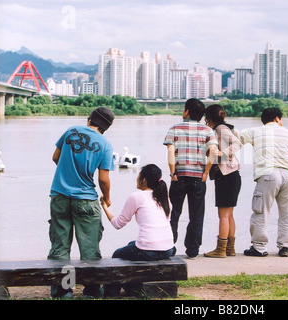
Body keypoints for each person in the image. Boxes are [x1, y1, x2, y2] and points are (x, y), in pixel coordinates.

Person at [47, 106, 115, 298]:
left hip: (59, 195)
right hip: (86, 199)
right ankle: (92, 290)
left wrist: (67, 173)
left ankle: (64, 290)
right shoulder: (105, 144)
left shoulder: (70, 131)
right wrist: (107, 197)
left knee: (60, 246)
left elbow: (55, 157)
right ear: (106, 127)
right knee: (89, 248)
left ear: (90, 120)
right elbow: (103, 178)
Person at [100, 164, 176, 296]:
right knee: (131, 244)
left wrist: (105, 207)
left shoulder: (137, 197)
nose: (137, 178)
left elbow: (118, 224)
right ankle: (132, 287)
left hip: (148, 251)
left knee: (118, 254)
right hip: (168, 249)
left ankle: (111, 291)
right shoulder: (165, 199)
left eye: (138, 176)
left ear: (144, 180)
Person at [240, 107, 288, 257]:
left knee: (261, 212)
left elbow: (233, 138)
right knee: (287, 214)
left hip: (268, 175)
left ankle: (259, 247)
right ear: (277, 118)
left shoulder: (255, 131)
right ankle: (285, 247)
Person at [163, 98, 218, 259]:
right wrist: (206, 172)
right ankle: (192, 249)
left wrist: (172, 173)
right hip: (198, 177)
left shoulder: (174, 128)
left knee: (173, 213)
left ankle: (168, 246)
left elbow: (171, 151)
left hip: (178, 177)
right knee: (196, 214)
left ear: (186, 111)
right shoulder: (208, 130)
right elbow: (213, 152)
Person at [203, 104, 242, 258]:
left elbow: (238, 144)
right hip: (232, 175)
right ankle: (230, 248)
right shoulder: (226, 127)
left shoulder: (220, 129)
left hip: (226, 176)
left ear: (209, 118)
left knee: (224, 215)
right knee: (229, 214)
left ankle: (221, 249)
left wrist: (221, 153)